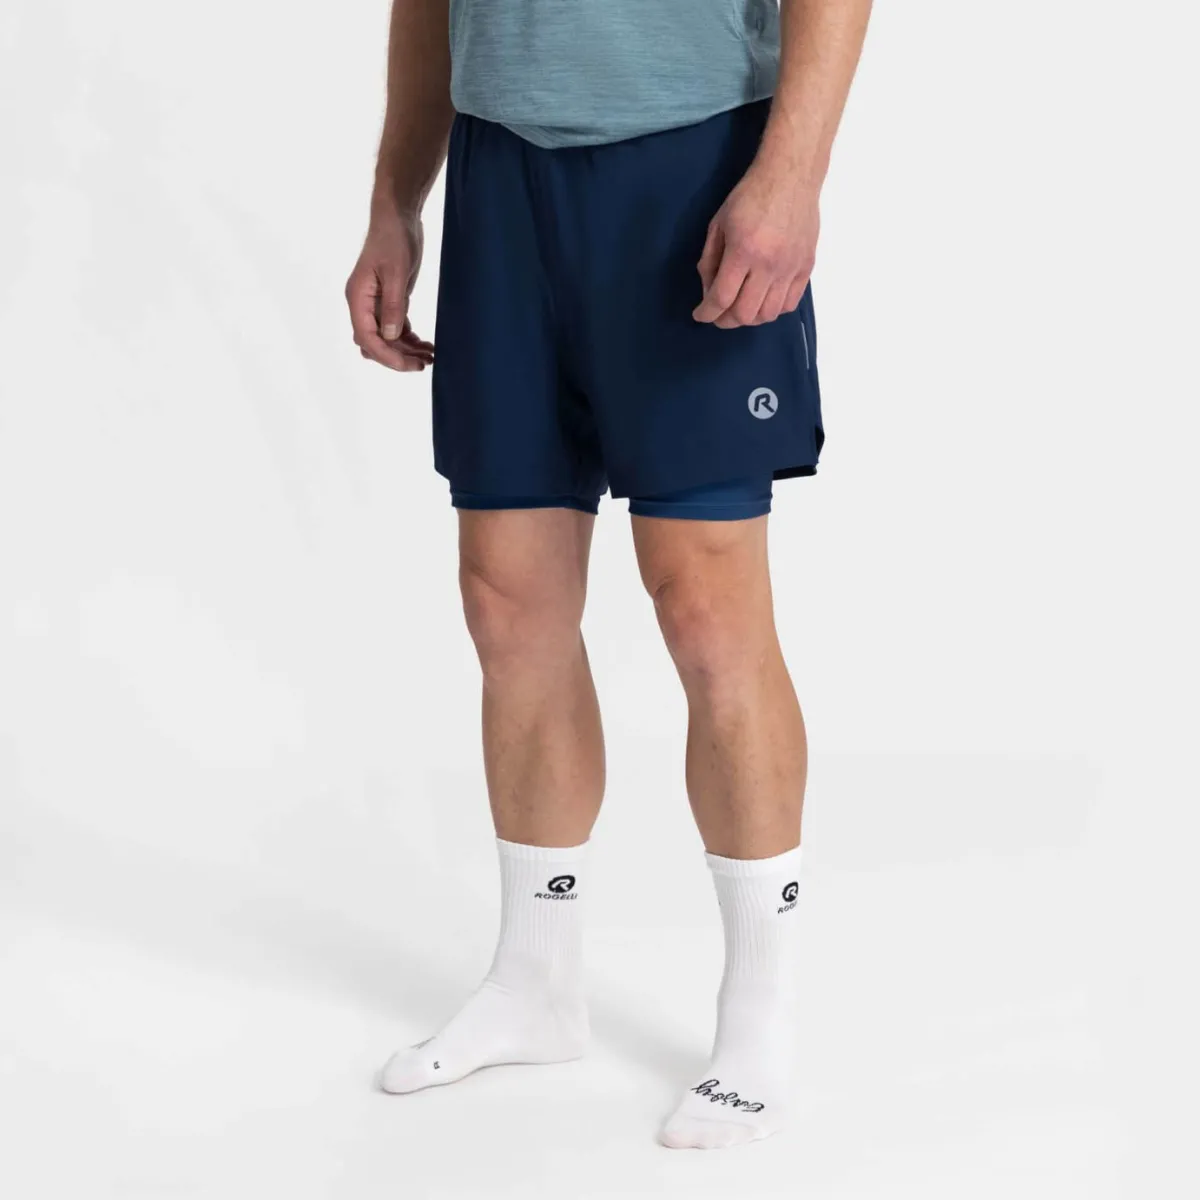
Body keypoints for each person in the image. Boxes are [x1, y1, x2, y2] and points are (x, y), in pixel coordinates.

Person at [345, 0, 871, 1151]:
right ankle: (534, 981)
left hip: (692, 162)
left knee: (705, 602)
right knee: (507, 598)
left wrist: (792, 176)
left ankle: (759, 1019)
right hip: (500, 169)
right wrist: (396, 201)